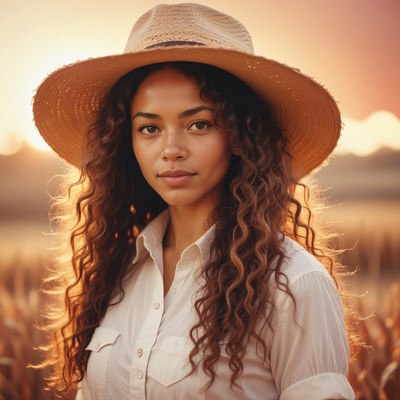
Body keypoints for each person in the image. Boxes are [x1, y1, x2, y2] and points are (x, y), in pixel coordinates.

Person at [33, 3, 357, 399]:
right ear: (126, 142)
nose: (170, 149)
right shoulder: (117, 273)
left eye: (198, 124)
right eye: (149, 128)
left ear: (241, 138)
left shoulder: (292, 284)